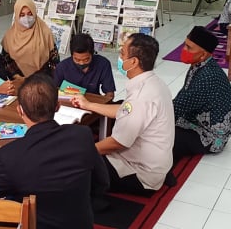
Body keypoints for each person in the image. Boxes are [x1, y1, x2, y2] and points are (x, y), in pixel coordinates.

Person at [0, 73, 109, 229]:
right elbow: (102, 182)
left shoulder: (9, 155)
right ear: (58, 106)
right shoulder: (82, 136)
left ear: (20, 110)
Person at [71, 34, 174, 196]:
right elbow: (123, 110)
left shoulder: (141, 96)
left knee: (73, 165)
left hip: (140, 173)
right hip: (153, 162)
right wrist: (88, 105)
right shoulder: (154, 83)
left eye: (122, 54)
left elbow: (118, 143)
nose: (119, 57)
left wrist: (85, 151)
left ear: (133, 62)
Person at [172, 26, 231, 162]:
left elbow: (177, 107)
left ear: (203, 54)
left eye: (189, 47)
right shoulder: (200, 65)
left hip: (209, 136)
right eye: (185, 45)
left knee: (158, 136)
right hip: (194, 121)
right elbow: (182, 98)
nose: (184, 50)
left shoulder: (207, 76)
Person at [1, 0, 59, 83]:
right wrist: (17, 77)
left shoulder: (45, 32)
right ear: (17, 16)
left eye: (30, 14)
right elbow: (6, 61)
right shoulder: (9, 37)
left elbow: (55, 60)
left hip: (44, 80)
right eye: (22, 15)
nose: (27, 18)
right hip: (19, 81)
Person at [54, 33, 115, 101]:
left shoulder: (103, 64)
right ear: (72, 55)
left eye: (86, 60)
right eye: (77, 59)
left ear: (92, 53)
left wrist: (99, 105)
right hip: (70, 104)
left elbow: (110, 94)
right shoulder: (62, 67)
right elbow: (53, 91)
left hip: (93, 104)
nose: (81, 63)